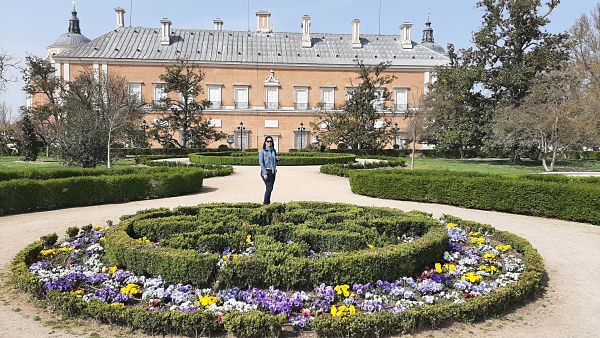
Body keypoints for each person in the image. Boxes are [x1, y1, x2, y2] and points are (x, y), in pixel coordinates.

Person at [258, 136, 280, 204]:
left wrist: (277, 159)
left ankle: (268, 202)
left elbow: (274, 161)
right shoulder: (262, 151)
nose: (269, 143)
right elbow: (261, 163)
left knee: (270, 188)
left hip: (273, 171)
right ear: (265, 142)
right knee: (269, 188)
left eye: (270, 141)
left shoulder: (273, 151)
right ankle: (265, 203)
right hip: (266, 171)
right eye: (268, 141)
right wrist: (264, 173)